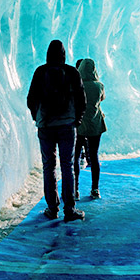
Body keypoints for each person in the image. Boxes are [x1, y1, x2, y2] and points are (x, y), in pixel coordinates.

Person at [27, 40, 86, 222]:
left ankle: (52, 208)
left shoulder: (40, 72)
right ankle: (70, 209)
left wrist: (37, 117)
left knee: (48, 166)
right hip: (67, 125)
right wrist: (77, 119)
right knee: (67, 166)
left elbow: (31, 99)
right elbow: (81, 99)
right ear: (63, 54)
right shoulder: (71, 72)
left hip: (45, 126)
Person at [74, 57, 106, 200]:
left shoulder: (77, 85)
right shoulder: (99, 86)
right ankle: (95, 189)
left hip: (79, 125)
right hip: (96, 124)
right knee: (94, 155)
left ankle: (75, 189)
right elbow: (101, 99)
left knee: (74, 157)